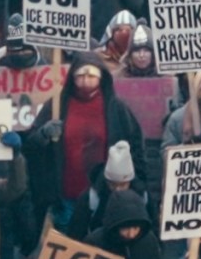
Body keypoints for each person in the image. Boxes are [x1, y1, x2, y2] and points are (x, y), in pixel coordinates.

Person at [25, 53, 146, 231]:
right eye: (80, 76)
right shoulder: (58, 105)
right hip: (65, 196)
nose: (85, 80)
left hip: (105, 195)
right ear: (72, 78)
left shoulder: (116, 107)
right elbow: (31, 145)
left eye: (91, 76)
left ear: (101, 78)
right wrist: (44, 133)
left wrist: (137, 184)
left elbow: (135, 146)